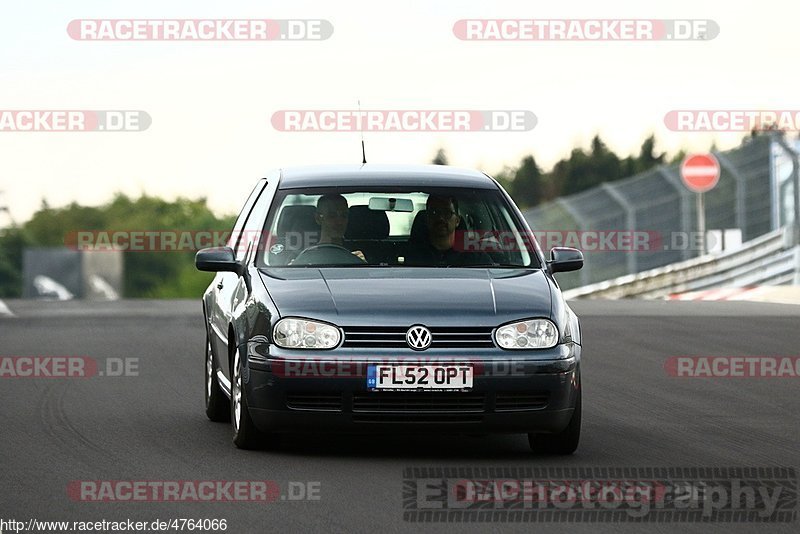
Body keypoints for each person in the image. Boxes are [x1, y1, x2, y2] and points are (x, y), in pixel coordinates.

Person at [406, 194, 492, 266]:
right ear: (427, 218)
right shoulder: (409, 255)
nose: (440, 218)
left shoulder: (476, 258)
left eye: (447, 213)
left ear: (457, 221)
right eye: (434, 212)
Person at [312, 194, 365, 261]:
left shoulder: (356, 256)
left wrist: (361, 264)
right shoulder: (306, 259)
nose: (340, 222)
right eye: (332, 216)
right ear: (318, 218)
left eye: (344, 215)